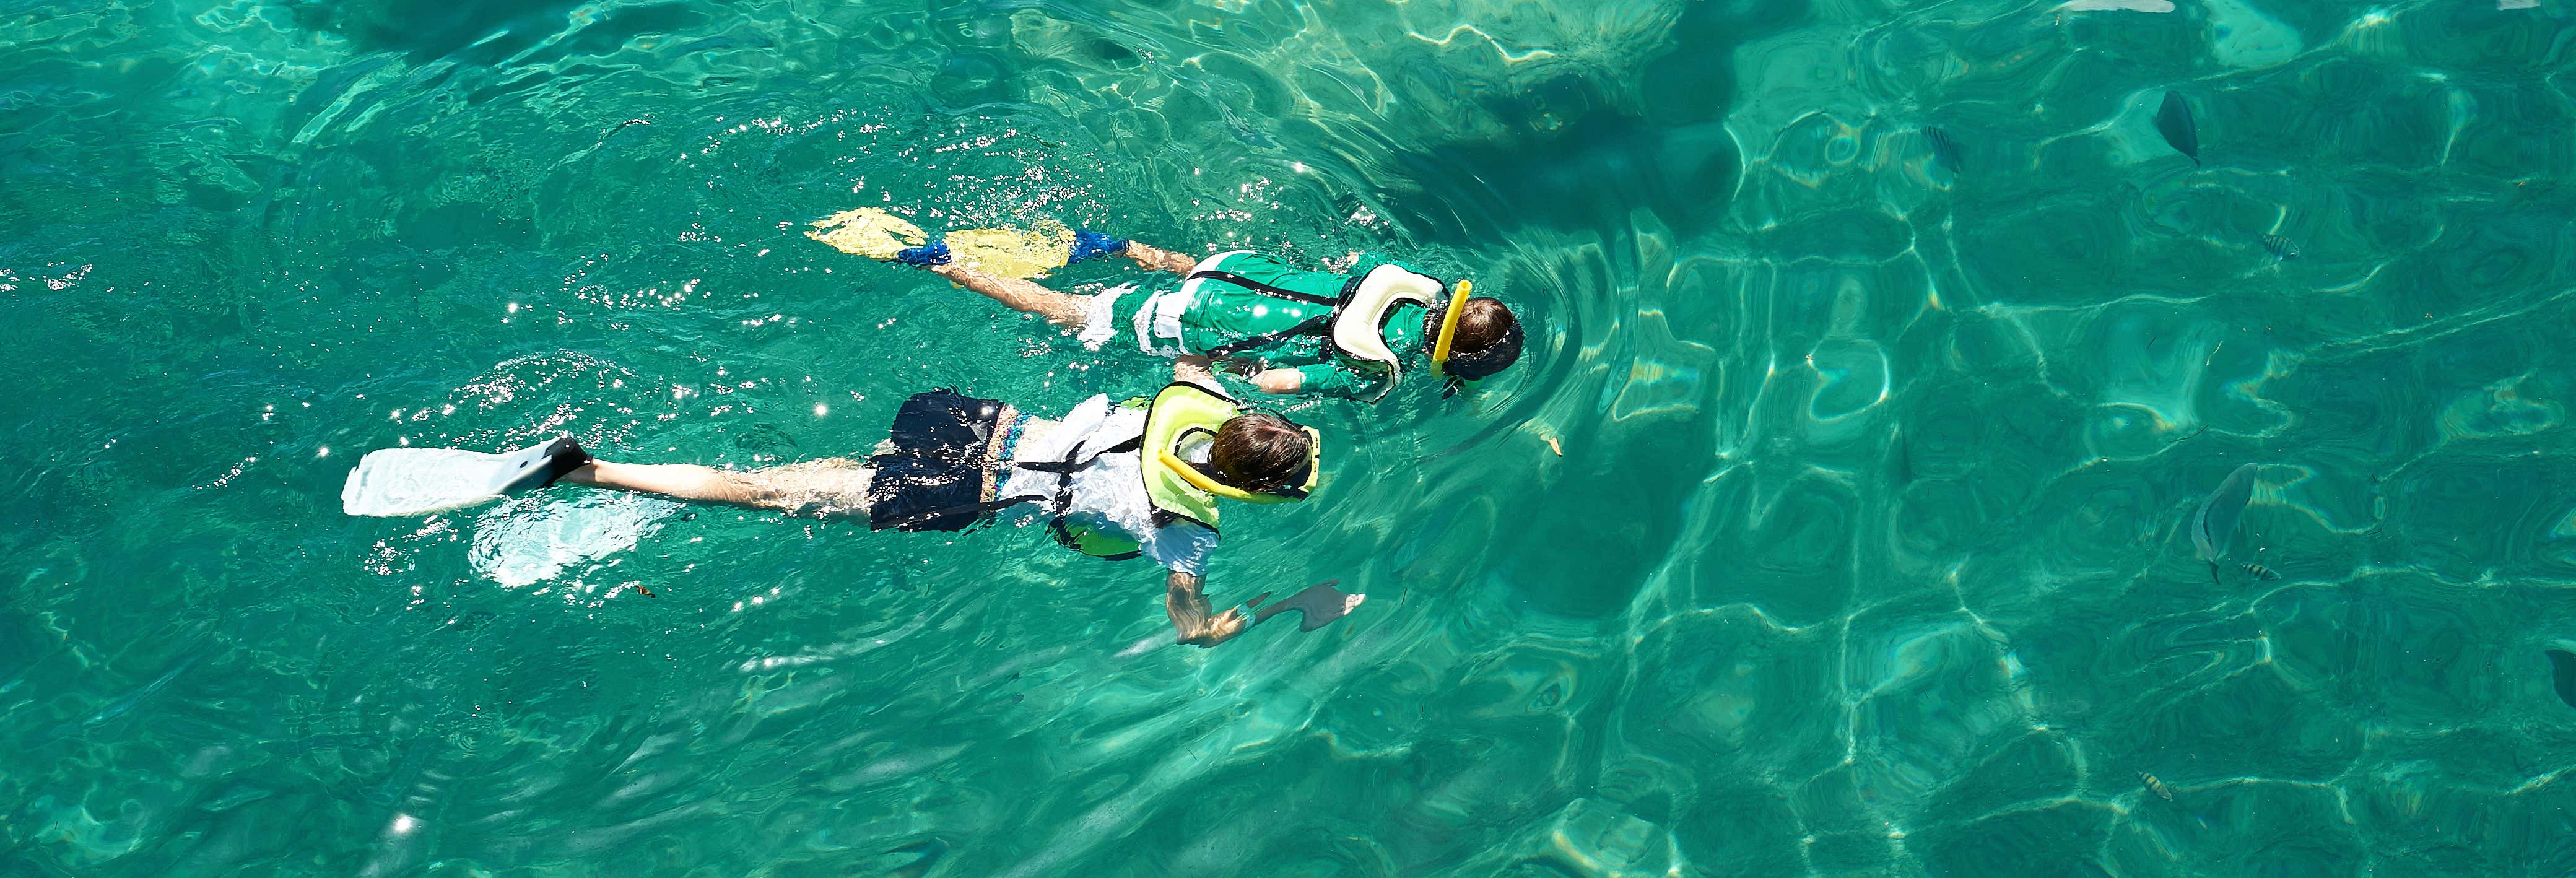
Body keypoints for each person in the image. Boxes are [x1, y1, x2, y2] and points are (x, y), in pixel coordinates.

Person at [339, 360, 1362, 647]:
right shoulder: (1184, 524)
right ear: (1242, 485)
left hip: (974, 422)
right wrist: (1214, 625)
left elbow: (1191, 354)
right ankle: (592, 473)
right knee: (762, 496)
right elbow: (1185, 615)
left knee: (808, 476)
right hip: (958, 488)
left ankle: (669, 485)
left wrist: (1274, 381)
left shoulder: (1194, 405)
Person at [886, 229, 1525, 402]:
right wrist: (1219, 372)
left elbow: (1365, 257)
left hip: (1233, 267)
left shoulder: (1409, 287)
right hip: (1199, 320)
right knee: (1074, 314)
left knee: (1208, 273)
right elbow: (1277, 382)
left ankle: (1124, 249)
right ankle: (949, 266)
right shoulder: (1372, 371)